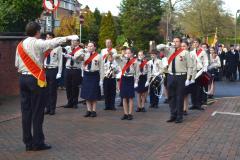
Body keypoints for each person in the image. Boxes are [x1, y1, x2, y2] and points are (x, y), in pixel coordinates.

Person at [15, 21, 78, 151]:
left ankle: (28, 142)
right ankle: (38, 142)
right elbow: (51, 42)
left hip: (22, 79)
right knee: (38, 111)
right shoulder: (37, 42)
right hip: (35, 80)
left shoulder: (19, 45)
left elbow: (17, 64)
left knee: (26, 112)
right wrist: (68, 37)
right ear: (37, 32)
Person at [160, 37, 193, 123]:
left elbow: (190, 66)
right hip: (171, 75)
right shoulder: (169, 51)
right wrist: (167, 45)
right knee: (171, 96)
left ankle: (179, 116)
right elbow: (158, 48)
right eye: (174, 41)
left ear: (180, 42)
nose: (175, 42)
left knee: (179, 97)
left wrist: (189, 78)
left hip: (181, 76)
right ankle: (173, 115)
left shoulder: (185, 52)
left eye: (177, 41)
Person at [81, 42, 102, 118]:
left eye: (91, 46)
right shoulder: (84, 55)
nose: (90, 47)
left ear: (94, 47)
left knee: (93, 93)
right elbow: (82, 64)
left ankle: (94, 110)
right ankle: (88, 110)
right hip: (87, 74)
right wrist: (82, 72)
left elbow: (101, 68)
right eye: (88, 46)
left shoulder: (99, 56)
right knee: (87, 93)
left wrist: (101, 80)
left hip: (94, 75)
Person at [44, 32, 63, 115]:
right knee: (45, 90)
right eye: (47, 37)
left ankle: (52, 108)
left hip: (53, 70)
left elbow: (60, 61)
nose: (48, 39)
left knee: (52, 90)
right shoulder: (44, 47)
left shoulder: (58, 48)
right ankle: (47, 108)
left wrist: (59, 72)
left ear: (53, 38)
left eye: (50, 37)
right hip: (45, 69)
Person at [63, 39, 83, 109]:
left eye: (75, 41)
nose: (73, 42)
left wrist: (69, 56)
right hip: (68, 69)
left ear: (78, 42)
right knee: (68, 86)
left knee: (75, 86)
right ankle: (69, 102)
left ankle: (75, 102)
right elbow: (61, 49)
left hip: (76, 69)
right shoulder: (67, 48)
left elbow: (77, 58)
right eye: (72, 41)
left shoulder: (80, 50)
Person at [190, 38, 208, 110]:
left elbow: (206, 61)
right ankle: (193, 104)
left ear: (199, 43)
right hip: (193, 71)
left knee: (199, 88)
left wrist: (205, 67)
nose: (195, 43)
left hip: (200, 71)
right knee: (192, 88)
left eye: (196, 42)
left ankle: (198, 104)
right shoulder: (191, 52)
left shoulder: (203, 52)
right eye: (194, 42)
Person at [119, 48, 137, 120]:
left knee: (130, 97)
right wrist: (122, 55)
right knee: (124, 97)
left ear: (132, 53)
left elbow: (137, 72)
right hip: (124, 78)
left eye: (129, 53)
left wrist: (136, 82)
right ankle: (125, 113)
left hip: (131, 78)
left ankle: (130, 114)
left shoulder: (135, 61)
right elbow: (115, 56)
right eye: (126, 53)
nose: (128, 54)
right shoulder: (122, 60)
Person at [181, 41, 194, 116]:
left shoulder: (191, 55)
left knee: (185, 94)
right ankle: (181, 108)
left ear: (188, 47)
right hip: (180, 75)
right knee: (181, 94)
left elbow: (192, 66)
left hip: (187, 75)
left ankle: (185, 109)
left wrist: (190, 78)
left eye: (184, 46)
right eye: (182, 46)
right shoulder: (179, 54)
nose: (183, 48)